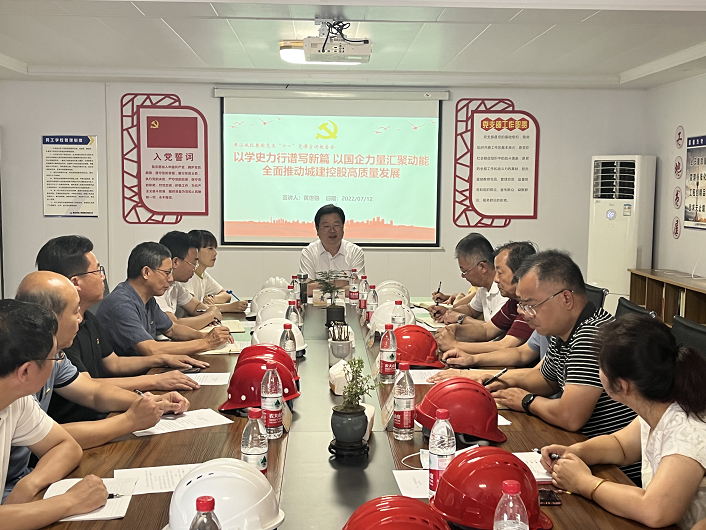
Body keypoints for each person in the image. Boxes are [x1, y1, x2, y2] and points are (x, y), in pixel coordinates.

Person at [7, 271, 190, 500]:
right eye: (75, 312)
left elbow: (92, 392)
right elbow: (55, 437)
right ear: (47, 319)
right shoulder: (21, 378)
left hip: (30, 478)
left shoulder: (54, 357)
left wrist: (148, 402)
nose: (80, 319)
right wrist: (130, 420)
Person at [541, 314, 706, 529]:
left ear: (622, 385)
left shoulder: (686, 432)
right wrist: (576, 452)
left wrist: (584, 483)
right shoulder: (659, 403)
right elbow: (620, 446)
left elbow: (655, 511)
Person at [489, 250, 640, 483]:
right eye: (521, 304)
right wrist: (494, 380)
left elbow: (570, 416)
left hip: (615, 469)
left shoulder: (593, 334)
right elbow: (545, 378)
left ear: (566, 299)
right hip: (585, 449)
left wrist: (526, 400)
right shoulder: (565, 330)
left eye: (530, 305)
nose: (523, 314)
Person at [35, 236, 208, 424]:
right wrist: (155, 382)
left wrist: (154, 393)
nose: (103, 277)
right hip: (86, 420)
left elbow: (111, 367)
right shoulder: (58, 334)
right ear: (75, 282)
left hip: (103, 411)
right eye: (98, 271)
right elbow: (90, 388)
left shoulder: (88, 319)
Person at [0, 299, 109, 527]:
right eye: (56, 356)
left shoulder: (16, 399)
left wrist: (28, 485)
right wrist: (70, 501)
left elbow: (66, 446)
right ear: (26, 371)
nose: (59, 362)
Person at [96, 242, 233, 357]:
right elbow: (151, 349)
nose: (171, 278)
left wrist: (205, 337)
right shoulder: (121, 303)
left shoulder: (148, 299)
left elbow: (172, 329)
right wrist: (206, 343)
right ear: (146, 272)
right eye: (166, 273)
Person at [436, 241, 535, 360]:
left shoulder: (533, 305)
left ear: (520, 274)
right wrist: (456, 329)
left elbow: (506, 346)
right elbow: (487, 329)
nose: (496, 279)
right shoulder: (514, 301)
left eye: (500, 273)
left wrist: (455, 345)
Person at [429, 233, 506, 325]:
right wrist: (447, 312)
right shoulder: (484, 288)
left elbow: (491, 328)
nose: (463, 276)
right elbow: (470, 309)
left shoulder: (504, 291)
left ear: (482, 267)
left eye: (465, 271)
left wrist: (460, 318)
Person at [156, 231, 225, 329]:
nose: (194, 268)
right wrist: (210, 316)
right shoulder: (156, 287)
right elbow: (172, 324)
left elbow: (196, 307)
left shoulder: (175, 285)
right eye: (193, 263)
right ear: (175, 262)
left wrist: (210, 313)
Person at [427, 329, 549, 382]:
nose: (520, 311)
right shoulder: (545, 326)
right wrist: (473, 359)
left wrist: (469, 374)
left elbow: (539, 375)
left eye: (529, 304)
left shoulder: (557, 332)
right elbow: (522, 353)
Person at [186, 230, 247, 313]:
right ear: (194, 251)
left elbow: (226, 295)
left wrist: (212, 299)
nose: (215, 253)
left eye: (215, 248)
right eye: (210, 248)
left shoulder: (202, 274)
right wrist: (228, 307)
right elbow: (194, 310)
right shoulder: (187, 277)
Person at [299, 204, 365, 279]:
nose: (332, 230)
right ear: (317, 230)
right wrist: (344, 283)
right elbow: (306, 284)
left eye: (336, 225)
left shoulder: (355, 252)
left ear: (343, 227)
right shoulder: (309, 253)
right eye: (326, 226)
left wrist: (318, 284)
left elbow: (358, 284)